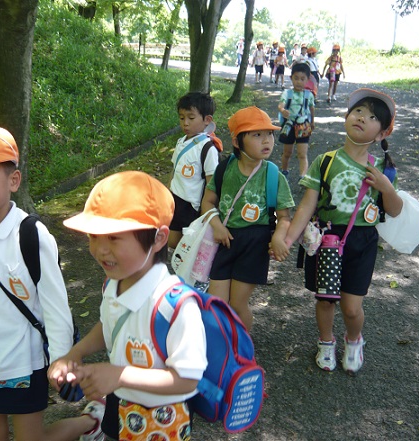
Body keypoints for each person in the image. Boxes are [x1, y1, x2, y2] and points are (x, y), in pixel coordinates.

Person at [0, 124, 102, 441]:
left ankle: (89, 423)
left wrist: (60, 361)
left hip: (23, 365)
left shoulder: (30, 235)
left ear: (13, 180)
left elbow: (56, 308)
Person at [48, 171, 208, 440]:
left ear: (158, 239)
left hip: (163, 416)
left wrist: (120, 375)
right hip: (118, 402)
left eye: (113, 238)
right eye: (93, 237)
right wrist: (75, 352)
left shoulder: (177, 305)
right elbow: (109, 324)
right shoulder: (113, 283)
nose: (100, 250)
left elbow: (187, 379)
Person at [277, 88, 402, 375]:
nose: (361, 118)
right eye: (358, 111)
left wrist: (385, 187)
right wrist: (287, 238)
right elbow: (307, 205)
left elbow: (394, 210)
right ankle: (325, 343)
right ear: (347, 117)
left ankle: (354, 340)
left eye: (372, 117)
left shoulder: (383, 168)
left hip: (362, 241)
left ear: (381, 134)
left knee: (351, 308)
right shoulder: (326, 161)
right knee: (325, 298)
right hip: (328, 239)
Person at [200, 107, 294, 331]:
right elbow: (207, 202)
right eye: (257, 135)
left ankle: (242, 351)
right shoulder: (225, 169)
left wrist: (279, 237)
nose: (267, 141)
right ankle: (220, 347)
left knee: (237, 304)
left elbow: (284, 217)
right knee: (216, 304)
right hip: (225, 240)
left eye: (269, 134)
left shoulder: (273, 175)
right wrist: (216, 226)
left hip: (254, 245)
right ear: (237, 140)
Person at [168, 92, 219, 249]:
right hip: (175, 200)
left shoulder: (208, 148)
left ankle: (189, 273)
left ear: (207, 120)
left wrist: (207, 210)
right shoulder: (181, 142)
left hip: (192, 206)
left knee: (188, 247)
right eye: (182, 118)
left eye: (191, 118)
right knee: (172, 242)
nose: (185, 123)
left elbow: (212, 182)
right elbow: (174, 170)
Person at [278, 62, 316, 180]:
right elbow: (281, 105)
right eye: (296, 78)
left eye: (302, 79)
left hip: (304, 125)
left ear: (307, 79)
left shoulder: (309, 95)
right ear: (291, 78)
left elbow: (311, 108)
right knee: (287, 152)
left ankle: (303, 176)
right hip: (289, 125)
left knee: (302, 153)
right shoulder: (287, 93)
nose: (299, 82)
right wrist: (282, 110)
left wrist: (312, 122)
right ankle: (284, 172)